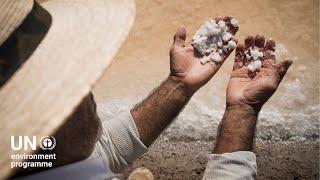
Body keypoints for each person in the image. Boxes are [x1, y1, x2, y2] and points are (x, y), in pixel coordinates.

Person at [0, 1, 292, 180]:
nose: (87, 85)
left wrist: (178, 86)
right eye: (67, 78)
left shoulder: (30, 161)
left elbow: (92, 153)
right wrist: (242, 112)